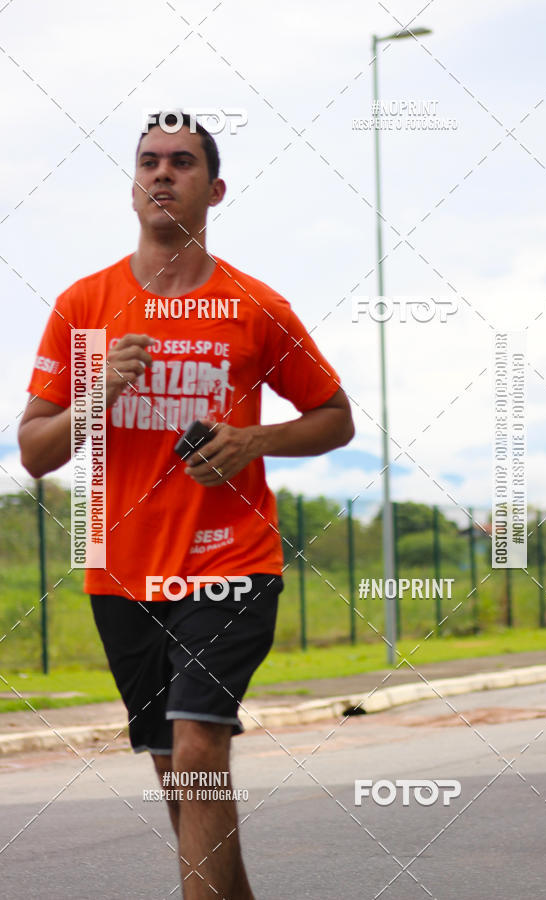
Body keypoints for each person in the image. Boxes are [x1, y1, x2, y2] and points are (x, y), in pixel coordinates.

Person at [18, 111, 354, 899]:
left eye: (182, 162)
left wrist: (252, 440)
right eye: (148, 162)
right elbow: (34, 452)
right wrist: (97, 392)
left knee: (200, 748)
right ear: (133, 186)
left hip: (229, 562)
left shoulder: (254, 306)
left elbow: (335, 417)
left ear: (216, 187)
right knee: (180, 777)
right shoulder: (84, 305)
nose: (162, 173)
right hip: (121, 574)